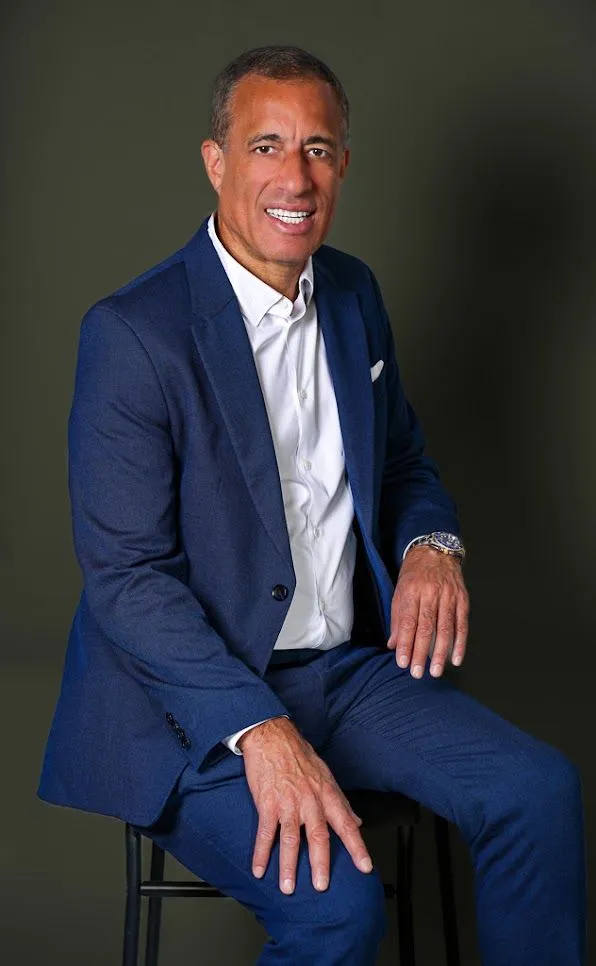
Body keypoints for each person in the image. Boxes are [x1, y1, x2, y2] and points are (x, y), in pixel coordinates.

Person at [37, 44, 586, 965]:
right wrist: (259, 728)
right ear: (216, 162)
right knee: (340, 911)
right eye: (266, 147)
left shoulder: (354, 296)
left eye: (319, 149)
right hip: (195, 703)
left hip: (344, 672)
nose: (295, 176)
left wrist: (431, 545)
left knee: (540, 793)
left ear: (343, 165)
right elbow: (128, 580)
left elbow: (404, 459)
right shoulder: (133, 334)